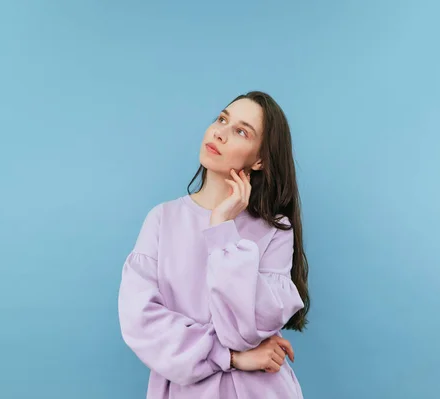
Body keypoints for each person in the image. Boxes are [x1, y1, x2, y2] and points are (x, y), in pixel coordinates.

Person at [118, 91, 310, 398]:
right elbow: (141, 323)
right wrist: (232, 357)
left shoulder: (276, 231)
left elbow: (243, 328)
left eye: (241, 131)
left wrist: (222, 228)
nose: (219, 132)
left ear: (259, 159)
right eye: (222, 119)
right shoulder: (162, 220)